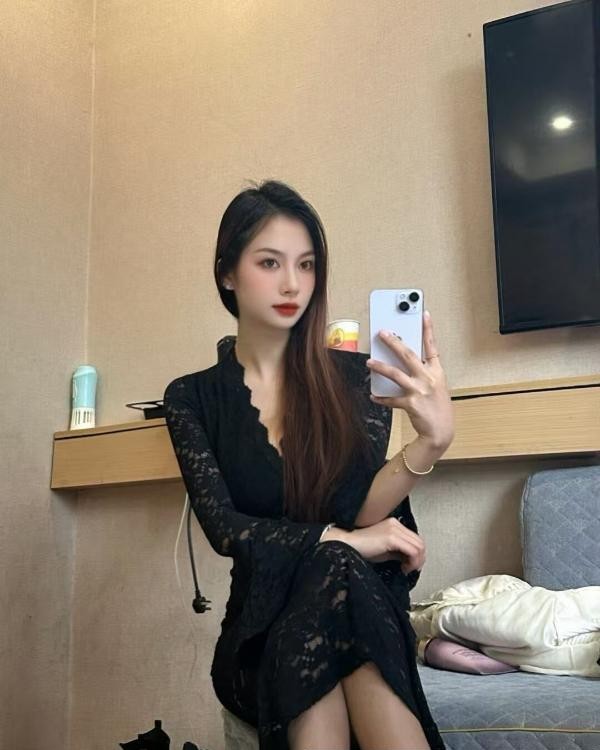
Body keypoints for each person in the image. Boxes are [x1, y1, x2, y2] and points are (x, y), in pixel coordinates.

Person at [163, 179, 455, 750]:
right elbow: (227, 530)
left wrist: (432, 442)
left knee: (336, 567)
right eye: (269, 262)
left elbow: (359, 509)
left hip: (358, 606)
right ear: (227, 273)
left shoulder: (353, 380)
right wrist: (343, 540)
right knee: (337, 559)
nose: (293, 284)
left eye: (306, 265)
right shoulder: (191, 397)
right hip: (261, 628)